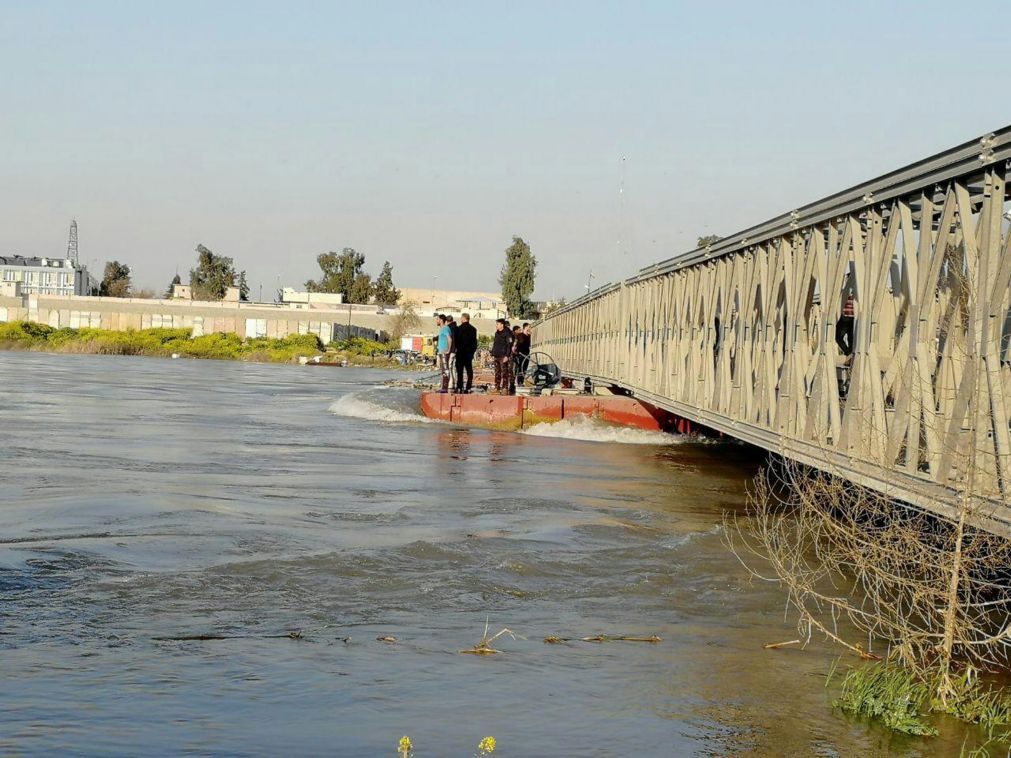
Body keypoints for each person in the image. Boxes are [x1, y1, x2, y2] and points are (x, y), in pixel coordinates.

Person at [454, 313, 478, 393]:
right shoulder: (473, 329)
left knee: (459, 371)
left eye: (461, 318)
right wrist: (472, 352)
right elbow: (474, 343)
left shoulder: (459, 329)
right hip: (468, 353)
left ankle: (460, 386)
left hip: (460, 352)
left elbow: (456, 341)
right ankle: (468, 386)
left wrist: (457, 349)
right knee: (469, 370)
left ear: (464, 318)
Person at [489, 318, 514, 394]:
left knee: (504, 372)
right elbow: (495, 344)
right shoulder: (497, 333)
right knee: (497, 372)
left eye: (497, 324)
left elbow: (509, 345)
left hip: (503, 355)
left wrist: (507, 356)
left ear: (502, 325)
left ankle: (504, 388)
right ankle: (497, 387)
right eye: (496, 324)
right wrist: (492, 353)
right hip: (497, 355)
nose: (496, 326)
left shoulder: (507, 333)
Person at [435, 314, 454, 393]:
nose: (436, 321)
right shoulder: (442, 329)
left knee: (445, 370)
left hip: (444, 352)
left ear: (441, 320)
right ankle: (443, 387)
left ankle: (445, 388)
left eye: (437, 319)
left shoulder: (445, 328)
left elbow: (449, 339)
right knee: (443, 370)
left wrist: (448, 350)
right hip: (441, 352)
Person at [513, 322, 532, 386]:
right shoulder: (519, 335)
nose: (530, 328)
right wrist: (515, 350)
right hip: (520, 354)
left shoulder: (529, 336)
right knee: (520, 368)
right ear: (525, 327)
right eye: (529, 327)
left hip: (527, 354)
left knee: (525, 369)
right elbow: (516, 343)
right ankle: (519, 381)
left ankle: (522, 381)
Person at [446, 314, 459, 391]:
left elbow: (449, 340)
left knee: (448, 367)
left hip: (451, 350)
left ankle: (450, 384)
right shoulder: (457, 328)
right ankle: (454, 382)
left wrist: (448, 349)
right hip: (456, 350)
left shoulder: (448, 328)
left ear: (447, 321)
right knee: (453, 367)